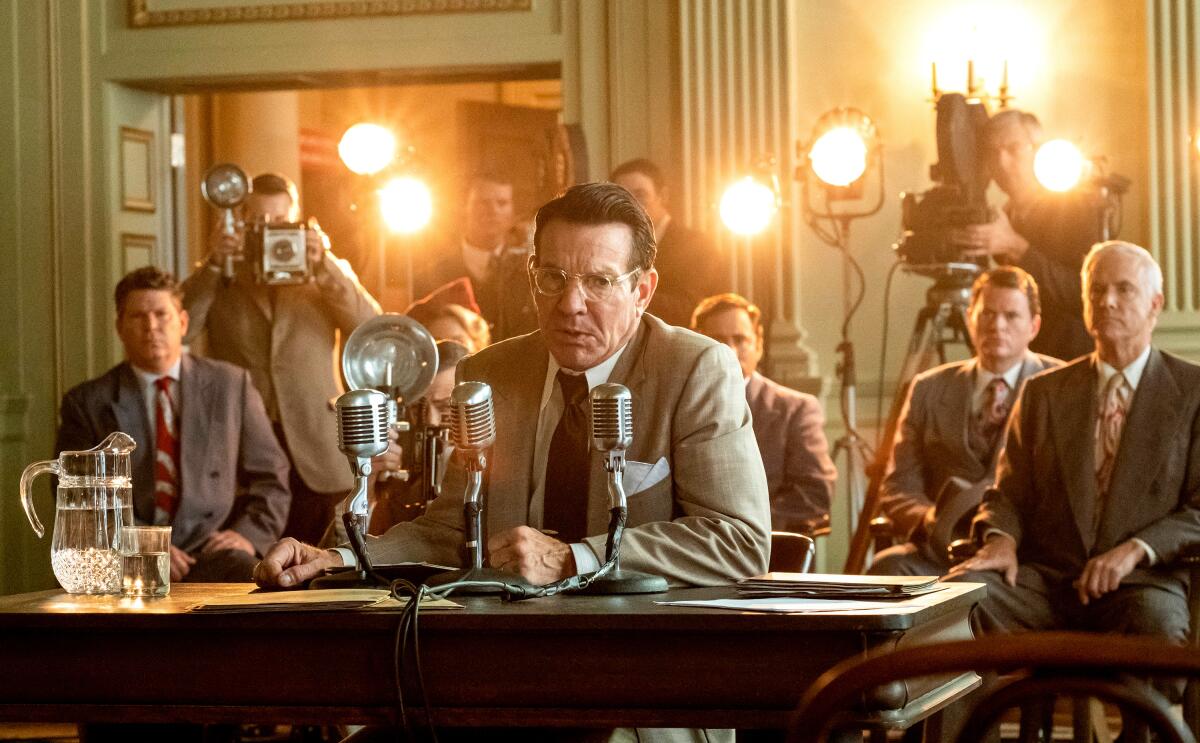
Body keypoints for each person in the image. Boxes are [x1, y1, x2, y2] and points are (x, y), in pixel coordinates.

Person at [256, 182, 771, 591]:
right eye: (553, 277)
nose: (571, 304)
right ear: (531, 278)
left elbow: (739, 541)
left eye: (599, 281)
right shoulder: (491, 373)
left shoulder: (697, 368)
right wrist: (339, 558)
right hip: (503, 659)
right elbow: (452, 530)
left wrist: (575, 557)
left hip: (642, 679)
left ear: (643, 290)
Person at [947, 242, 1199, 649]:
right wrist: (1001, 540)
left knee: (1158, 630)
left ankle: (1153, 715)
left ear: (1156, 304)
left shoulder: (1192, 390)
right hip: (1046, 580)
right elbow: (1008, 494)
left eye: (1123, 289)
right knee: (956, 603)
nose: (1107, 301)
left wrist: (1137, 549)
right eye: (1096, 291)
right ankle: (977, 715)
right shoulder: (1044, 392)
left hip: (1140, 583)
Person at [181, 172, 380, 546]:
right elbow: (182, 329)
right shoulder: (223, 274)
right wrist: (211, 266)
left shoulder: (322, 272)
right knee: (249, 563)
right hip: (241, 438)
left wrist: (325, 265)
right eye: (259, 222)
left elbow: (371, 330)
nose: (270, 231)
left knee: (322, 566)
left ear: (299, 222)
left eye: (280, 222)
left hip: (316, 444)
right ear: (240, 222)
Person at [57, 267, 290, 583]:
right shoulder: (87, 403)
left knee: (252, 578)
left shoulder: (231, 385)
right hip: (126, 555)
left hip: (214, 553)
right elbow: (76, 497)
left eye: (161, 315)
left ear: (182, 322)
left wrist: (247, 536)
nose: (151, 326)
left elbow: (272, 477)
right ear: (119, 327)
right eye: (138, 317)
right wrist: (140, 542)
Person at [869, 267, 1059, 577]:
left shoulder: (1060, 386)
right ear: (970, 317)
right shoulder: (928, 388)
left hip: (1022, 553)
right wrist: (931, 520)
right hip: (940, 548)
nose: (997, 325)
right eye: (987, 314)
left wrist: (1003, 535)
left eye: (1011, 316)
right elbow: (898, 484)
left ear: (1034, 326)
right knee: (887, 567)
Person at [952, 109, 1106, 361]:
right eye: (993, 153)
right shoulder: (1003, 215)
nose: (1002, 162)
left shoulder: (1075, 205)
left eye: (1013, 149)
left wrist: (1016, 247)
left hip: (1067, 360)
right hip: (1017, 361)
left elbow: (1084, 293)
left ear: (1038, 151)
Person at [691, 292, 836, 534]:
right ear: (696, 343)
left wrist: (742, 529)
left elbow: (814, 492)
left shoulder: (795, 409)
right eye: (718, 340)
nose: (730, 351)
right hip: (689, 544)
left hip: (765, 548)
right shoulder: (680, 406)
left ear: (758, 345)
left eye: (740, 339)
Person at [413, 172, 537, 341]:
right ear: (465, 207)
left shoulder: (529, 275)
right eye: (483, 202)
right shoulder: (431, 275)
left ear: (512, 212)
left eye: (502, 203)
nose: (493, 210)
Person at [611, 158, 724, 327]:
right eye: (621, 197)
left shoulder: (698, 246)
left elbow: (692, 308)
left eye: (640, 196)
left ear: (662, 196)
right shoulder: (609, 245)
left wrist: (622, 291)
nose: (630, 205)